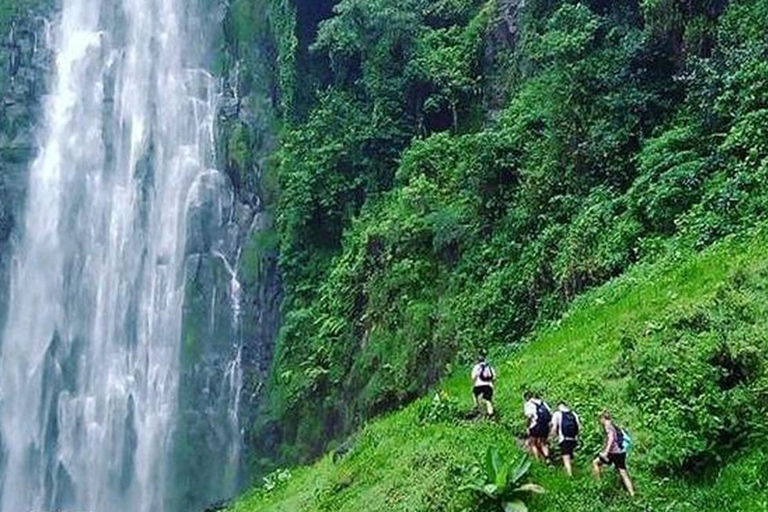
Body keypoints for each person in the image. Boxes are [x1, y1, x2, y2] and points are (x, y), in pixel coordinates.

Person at [593, 411, 635, 496]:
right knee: (623, 472)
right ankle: (632, 494)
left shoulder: (607, 425)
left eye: (600, 419)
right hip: (621, 451)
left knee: (596, 463)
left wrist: (606, 452)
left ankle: (599, 486)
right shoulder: (614, 425)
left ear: (602, 418)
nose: (600, 422)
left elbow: (611, 439)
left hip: (613, 452)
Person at [550, 402, 581, 476]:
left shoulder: (557, 414)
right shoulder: (573, 414)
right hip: (574, 439)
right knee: (570, 456)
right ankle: (573, 472)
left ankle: (570, 475)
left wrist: (551, 438)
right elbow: (579, 427)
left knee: (566, 458)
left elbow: (554, 428)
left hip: (564, 439)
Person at [523, 391, 551, 461]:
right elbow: (550, 414)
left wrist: (527, 426)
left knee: (533, 443)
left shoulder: (528, 404)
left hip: (535, 426)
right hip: (545, 426)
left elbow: (529, 416)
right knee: (543, 443)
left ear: (526, 398)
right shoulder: (543, 403)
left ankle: (537, 460)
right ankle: (547, 458)